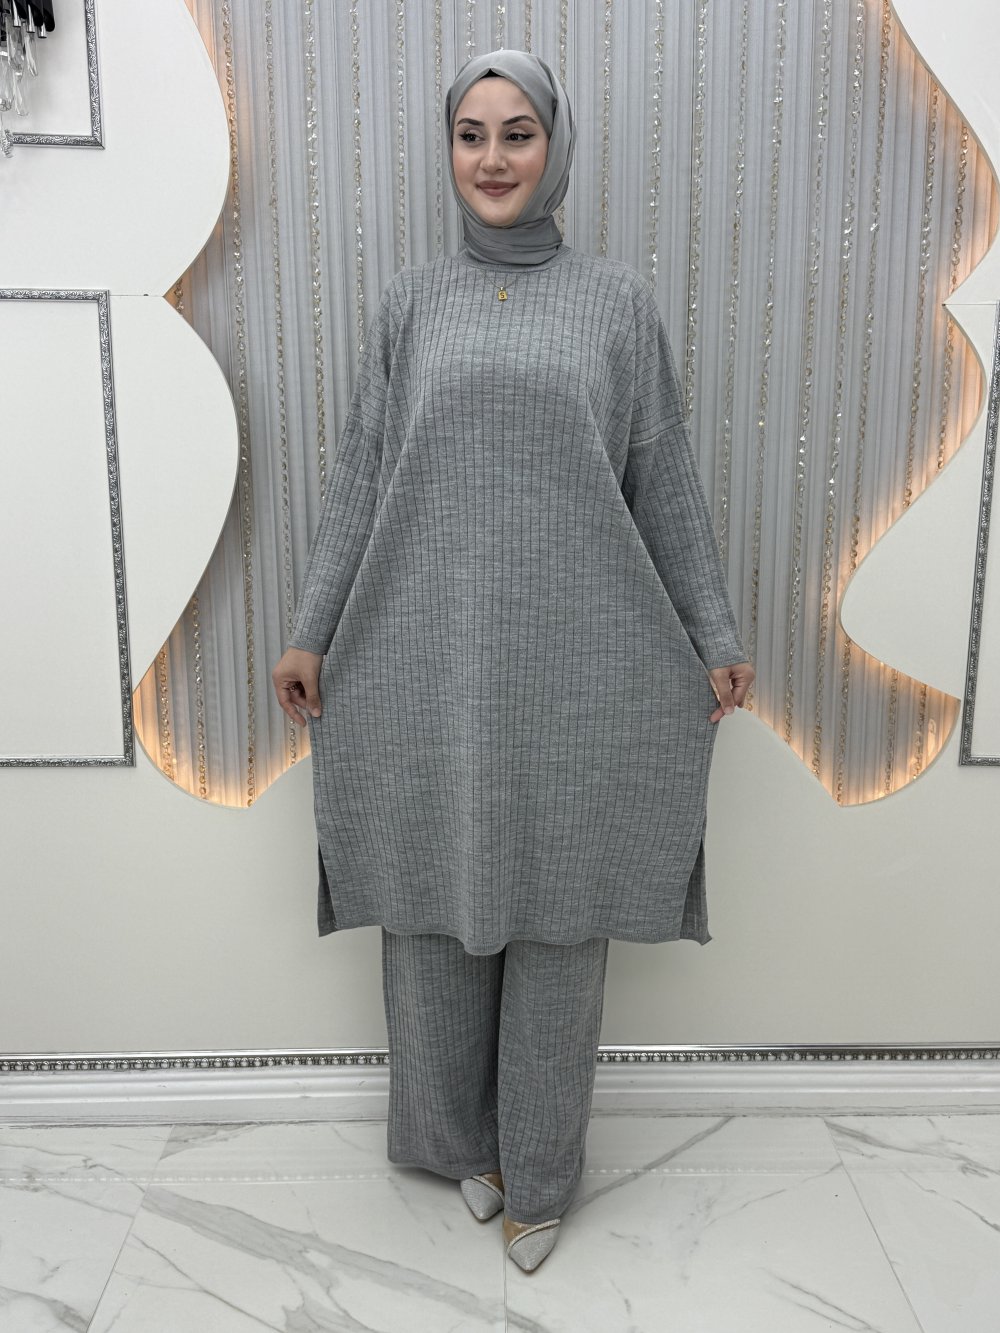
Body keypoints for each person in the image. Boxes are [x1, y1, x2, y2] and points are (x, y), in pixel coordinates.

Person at [271, 48, 754, 1274]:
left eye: (518, 132)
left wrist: (712, 633)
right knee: (434, 903)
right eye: (471, 133)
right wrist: (311, 628)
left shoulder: (615, 306)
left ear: (556, 147)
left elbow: (662, 476)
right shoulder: (411, 306)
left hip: (584, 665)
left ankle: (539, 1169)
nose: (492, 157)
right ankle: (462, 1145)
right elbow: (362, 474)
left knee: (558, 915)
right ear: (448, 149)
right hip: (423, 657)